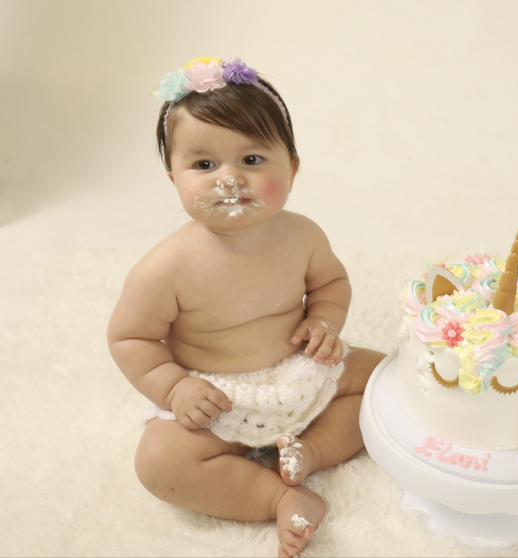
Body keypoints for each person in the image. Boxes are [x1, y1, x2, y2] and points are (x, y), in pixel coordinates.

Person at [107, 56, 384, 557]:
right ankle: (278, 496)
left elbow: (331, 283)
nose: (228, 179)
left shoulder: (302, 235)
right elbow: (132, 338)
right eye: (204, 164)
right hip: (216, 398)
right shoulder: (165, 268)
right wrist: (176, 388)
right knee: (161, 464)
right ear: (174, 177)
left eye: (252, 160)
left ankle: (310, 451)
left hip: (302, 372)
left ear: (293, 168)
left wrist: (324, 319)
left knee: (386, 377)